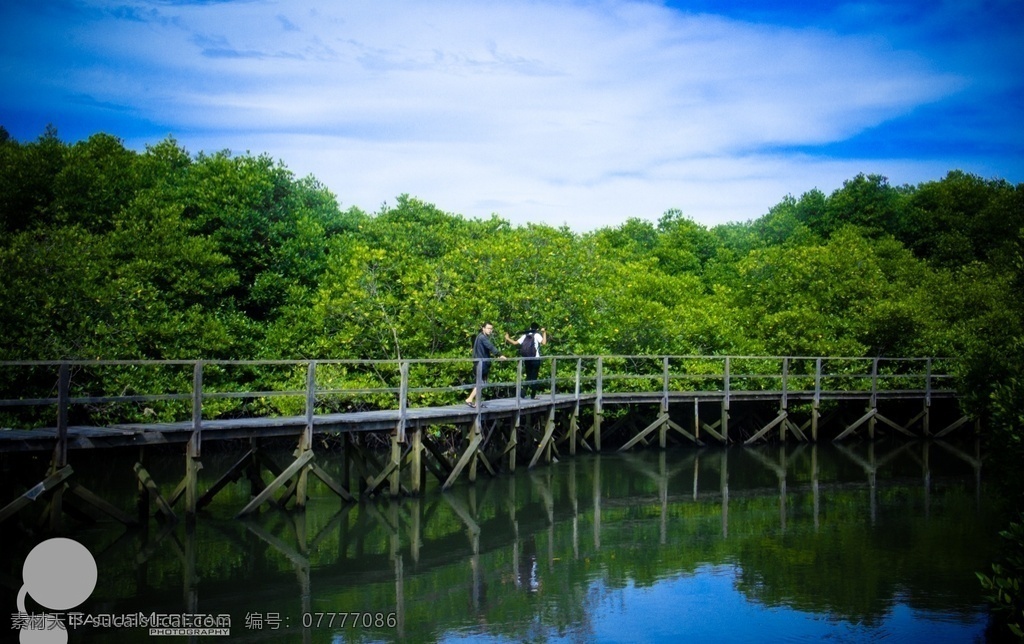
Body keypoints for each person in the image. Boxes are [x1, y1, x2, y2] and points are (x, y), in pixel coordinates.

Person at [466, 322, 505, 407]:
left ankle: (477, 402)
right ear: (483, 328)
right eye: (488, 328)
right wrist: (499, 354)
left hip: (479, 363)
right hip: (481, 364)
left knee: (480, 383)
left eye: (491, 329)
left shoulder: (479, 336)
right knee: (481, 383)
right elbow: (490, 346)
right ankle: (469, 399)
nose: (490, 330)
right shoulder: (482, 337)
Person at [505, 323, 547, 398]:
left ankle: (523, 393)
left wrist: (507, 338)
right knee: (534, 377)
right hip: (535, 359)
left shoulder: (525, 335)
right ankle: (533, 395)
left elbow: (515, 343)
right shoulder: (536, 335)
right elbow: (544, 343)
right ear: (537, 329)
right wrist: (544, 332)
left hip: (527, 359)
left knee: (528, 376)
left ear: (530, 328)